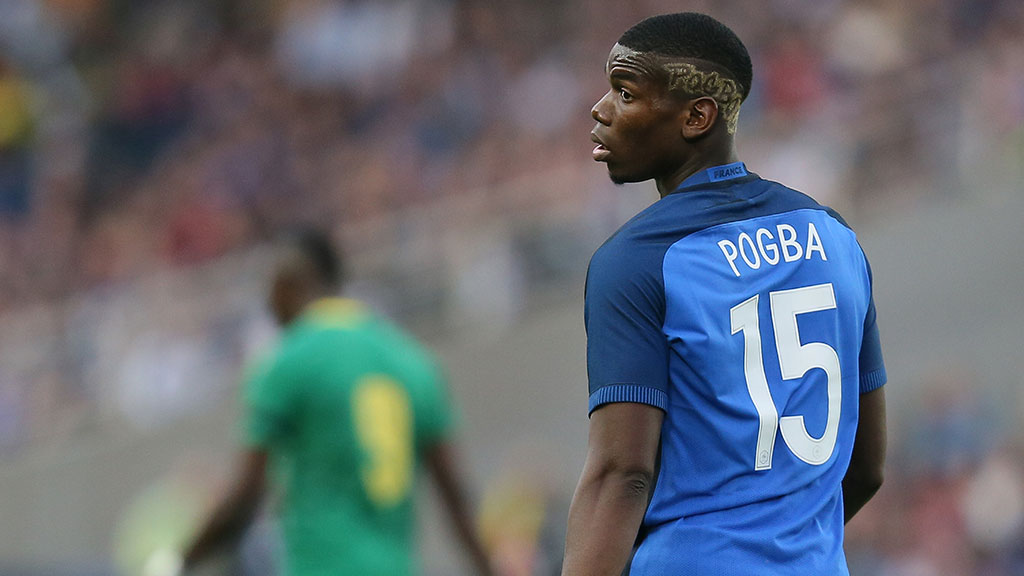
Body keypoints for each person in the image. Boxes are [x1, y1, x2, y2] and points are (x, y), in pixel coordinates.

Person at [562, 13, 887, 576]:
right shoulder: (835, 237)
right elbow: (866, 469)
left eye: (625, 93)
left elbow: (622, 475)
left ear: (697, 117)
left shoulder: (636, 261)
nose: (601, 109)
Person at [172, 229, 493, 576]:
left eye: (271, 287)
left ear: (291, 280)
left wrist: (179, 562)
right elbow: (456, 500)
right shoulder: (413, 363)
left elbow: (245, 498)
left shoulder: (287, 362)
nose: (268, 305)